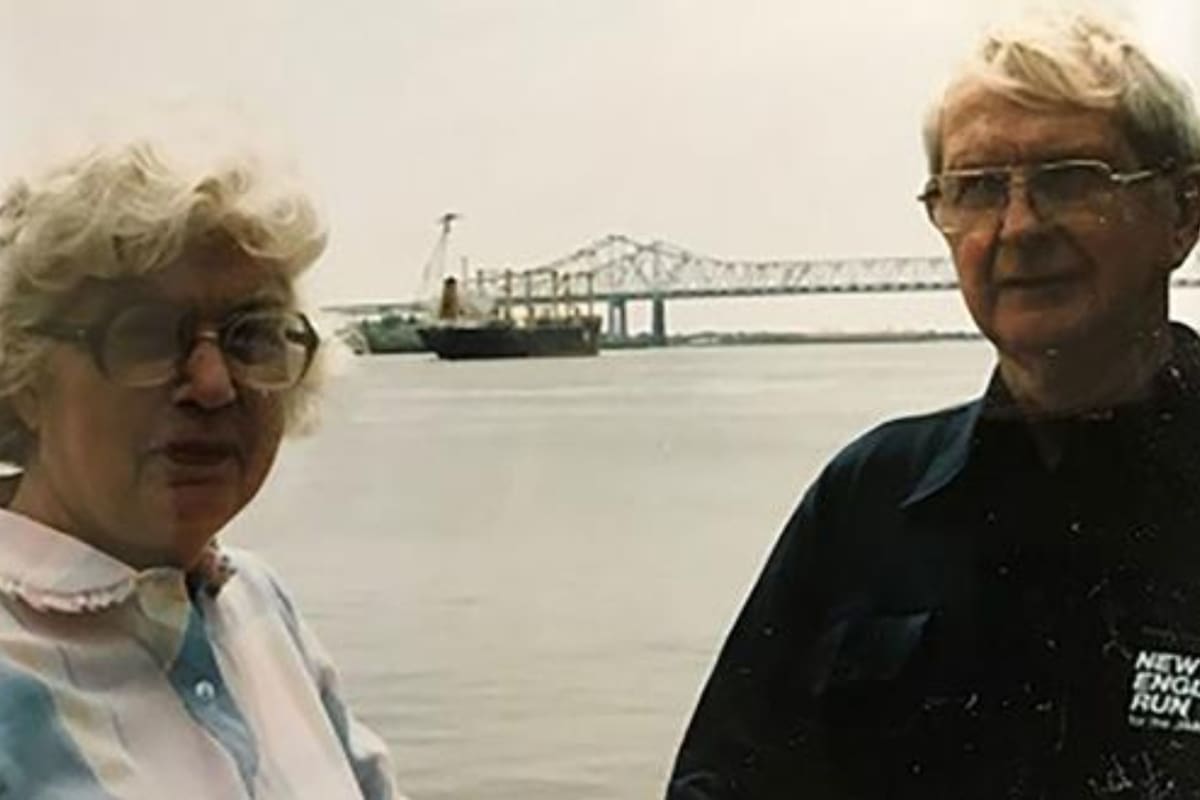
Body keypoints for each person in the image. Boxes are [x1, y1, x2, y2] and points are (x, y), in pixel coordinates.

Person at [669, 12, 1200, 799]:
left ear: (1183, 214)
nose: (1018, 227)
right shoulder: (869, 496)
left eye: (1068, 178)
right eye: (978, 189)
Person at [0, 137, 401, 799]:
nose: (214, 384)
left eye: (253, 334)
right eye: (149, 334)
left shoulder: (256, 604)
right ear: (21, 377)